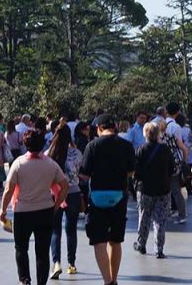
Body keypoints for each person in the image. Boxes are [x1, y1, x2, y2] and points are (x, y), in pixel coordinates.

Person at [0, 129, 68, 285]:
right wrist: (56, 205)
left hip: (22, 213)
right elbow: (64, 186)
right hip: (45, 211)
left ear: (25, 144)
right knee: (42, 252)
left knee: (21, 249)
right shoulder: (51, 164)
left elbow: (9, 189)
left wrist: (3, 211)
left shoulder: (19, 163)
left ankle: (24, 280)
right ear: (42, 143)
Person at [79, 114, 135, 285]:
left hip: (97, 198)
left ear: (99, 128)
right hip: (119, 196)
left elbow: (84, 175)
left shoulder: (92, 146)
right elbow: (131, 172)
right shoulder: (126, 145)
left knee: (99, 241)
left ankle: (106, 280)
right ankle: (114, 279)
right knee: (116, 240)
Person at [46, 124, 82, 279]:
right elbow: (79, 170)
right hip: (73, 192)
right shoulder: (76, 153)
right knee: (71, 229)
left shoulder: (49, 154)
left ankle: (56, 263)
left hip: (54, 194)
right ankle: (71, 264)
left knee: (55, 230)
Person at [132, 121, 172, 259]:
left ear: (145, 134)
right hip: (163, 189)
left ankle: (141, 244)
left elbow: (135, 171)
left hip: (145, 189)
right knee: (160, 220)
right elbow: (172, 169)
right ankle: (159, 249)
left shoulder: (141, 149)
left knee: (144, 216)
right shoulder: (165, 150)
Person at [162, 102, 188, 224]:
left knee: (163, 189)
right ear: (177, 112)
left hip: (162, 160)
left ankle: (164, 213)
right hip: (174, 161)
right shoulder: (176, 127)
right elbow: (181, 146)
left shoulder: (160, 125)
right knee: (176, 190)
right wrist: (184, 160)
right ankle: (182, 215)